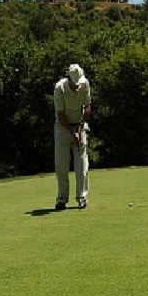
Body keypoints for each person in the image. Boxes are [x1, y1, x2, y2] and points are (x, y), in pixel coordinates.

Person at [53, 63, 91, 210]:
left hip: (79, 125)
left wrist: (80, 129)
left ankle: (82, 198)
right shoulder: (59, 88)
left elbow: (87, 108)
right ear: (69, 78)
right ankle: (62, 198)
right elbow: (61, 115)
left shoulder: (85, 84)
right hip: (62, 127)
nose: (77, 86)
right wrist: (72, 132)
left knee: (81, 164)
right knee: (61, 164)